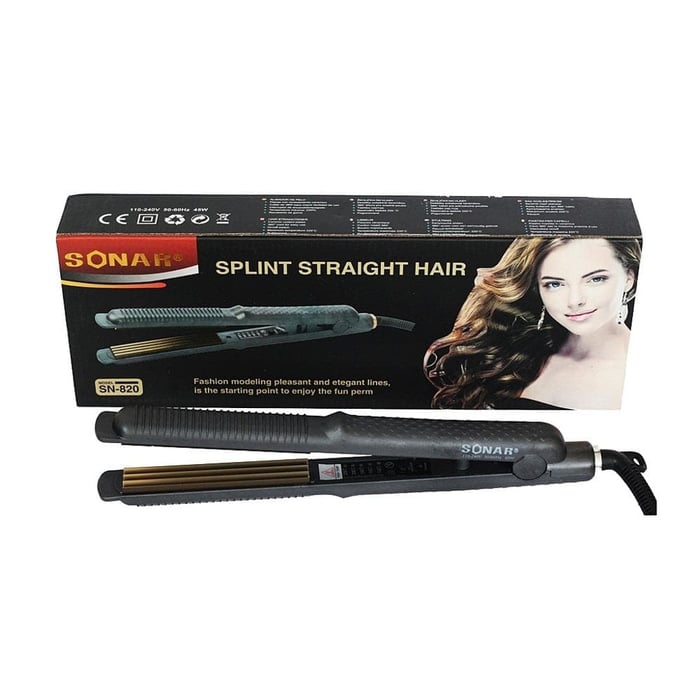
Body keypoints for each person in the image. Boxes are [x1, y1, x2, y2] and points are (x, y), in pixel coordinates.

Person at [424, 236, 641, 409]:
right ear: (538, 288)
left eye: (596, 279)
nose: (575, 301)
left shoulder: (638, 377)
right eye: (555, 284)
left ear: (629, 278)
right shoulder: (520, 350)